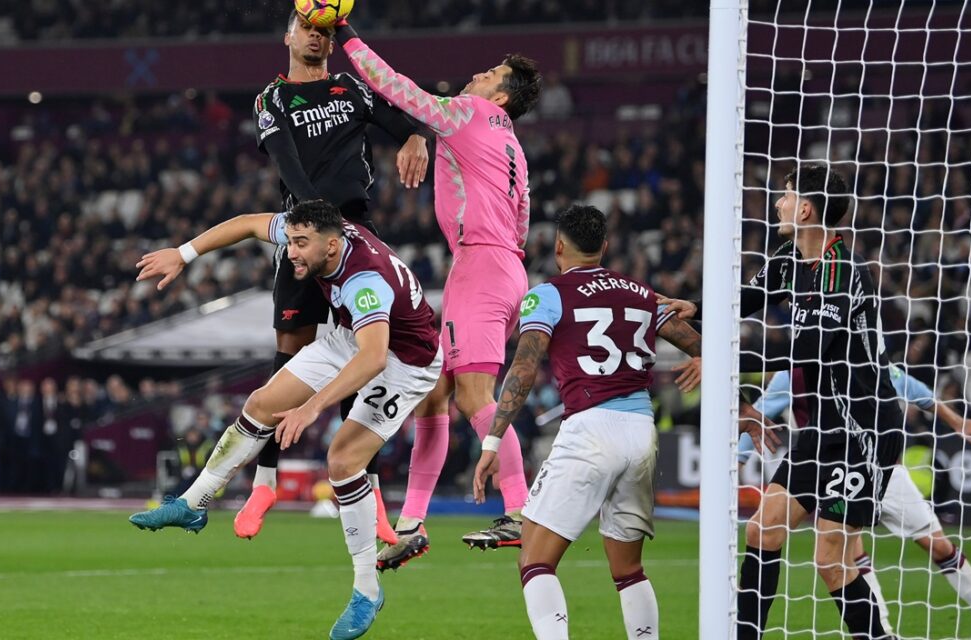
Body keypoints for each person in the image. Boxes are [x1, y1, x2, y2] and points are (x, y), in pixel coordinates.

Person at [128, 200, 442, 639]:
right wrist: (183, 254)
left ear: (331, 246)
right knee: (260, 404)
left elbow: (373, 359)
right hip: (355, 337)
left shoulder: (364, 282)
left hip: (404, 362)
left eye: (300, 244)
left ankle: (367, 590)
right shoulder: (322, 235)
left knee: (342, 460)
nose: (291, 252)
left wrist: (312, 407)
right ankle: (193, 504)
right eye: (290, 240)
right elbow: (245, 224)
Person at [470, 205, 774, 639]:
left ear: (558, 246)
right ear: (605, 246)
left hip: (591, 429)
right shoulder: (640, 291)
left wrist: (493, 442)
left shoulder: (548, 294)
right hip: (640, 434)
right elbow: (707, 348)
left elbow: (523, 367)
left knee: (535, 561)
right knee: (628, 569)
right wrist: (735, 398)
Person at [332, 16, 545, 565]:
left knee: (475, 398)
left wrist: (346, 35)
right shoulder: (514, 148)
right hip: (501, 268)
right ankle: (412, 523)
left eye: (491, 71)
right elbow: (521, 220)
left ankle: (521, 510)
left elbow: (396, 87)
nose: (478, 72)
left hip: (478, 267)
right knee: (434, 396)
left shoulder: (469, 112)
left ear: (502, 93)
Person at [237, 9, 430, 544]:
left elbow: (400, 118)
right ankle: (265, 481)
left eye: (325, 31)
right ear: (289, 36)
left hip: (355, 239)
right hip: (306, 235)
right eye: (309, 29)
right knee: (288, 353)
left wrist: (415, 137)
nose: (317, 37)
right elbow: (286, 165)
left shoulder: (351, 88)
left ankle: (367, 490)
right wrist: (316, 222)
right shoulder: (272, 100)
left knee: (358, 358)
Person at [735, 164, 903, 640]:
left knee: (831, 561)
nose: (779, 203)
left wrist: (729, 358)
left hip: (865, 428)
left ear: (806, 208)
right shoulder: (789, 258)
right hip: (824, 427)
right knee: (762, 529)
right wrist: (692, 314)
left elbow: (810, 349)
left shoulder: (844, 270)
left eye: (786, 196)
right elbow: (739, 302)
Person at [749, 367, 971, 640]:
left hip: (884, 472)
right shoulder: (792, 375)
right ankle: (884, 633)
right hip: (833, 471)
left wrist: (956, 421)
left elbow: (913, 389)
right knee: (845, 556)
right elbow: (759, 412)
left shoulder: (864, 358)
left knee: (938, 546)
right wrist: (736, 458)